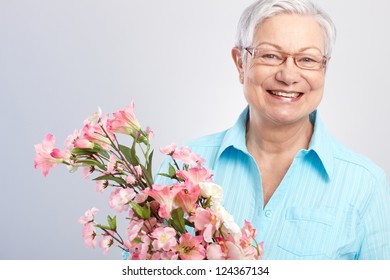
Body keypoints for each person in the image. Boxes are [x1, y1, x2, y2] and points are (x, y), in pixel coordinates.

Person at [156, 0, 390, 259]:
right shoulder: (182, 168)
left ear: (324, 68)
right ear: (240, 64)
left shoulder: (366, 184)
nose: (288, 75)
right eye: (270, 55)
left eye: (307, 59)